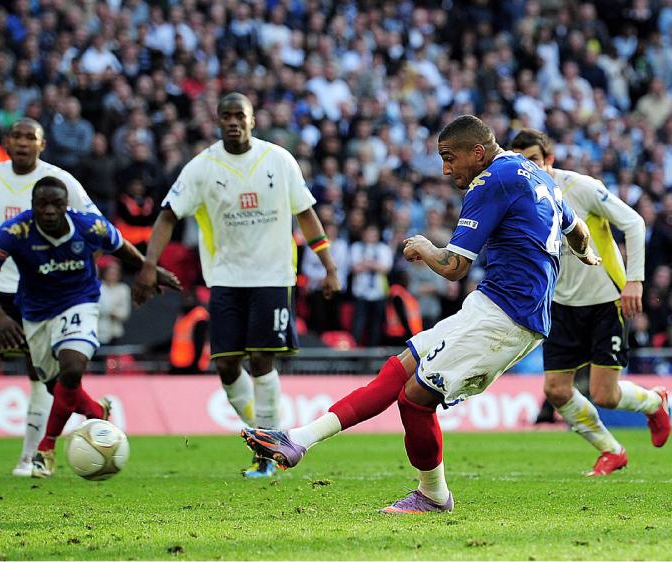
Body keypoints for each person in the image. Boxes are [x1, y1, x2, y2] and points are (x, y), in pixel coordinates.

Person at [243, 115, 601, 513]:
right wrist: (588, 256)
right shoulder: (536, 174)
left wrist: (424, 247)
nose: (446, 170)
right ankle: (299, 438)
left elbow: (453, 266)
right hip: (492, 305)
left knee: (415, 399)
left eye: (450, 159)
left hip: (505, 317)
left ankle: (432, 495)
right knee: (398, 369)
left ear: (478, 153)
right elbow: (579, 230)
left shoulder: (490, 180)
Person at [133, 92, 341, 478]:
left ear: (252, 119)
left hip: (272, 276)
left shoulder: (278, 160)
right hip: (226, 278)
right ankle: (266, 432)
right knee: (227, 365)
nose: (233, 122)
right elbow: (167, 215)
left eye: (239, 115)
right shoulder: (202, 166)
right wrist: (148, 264)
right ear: (217, 121)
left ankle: (266, 451)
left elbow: (306, 214)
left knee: (261, 359)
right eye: (226, 115)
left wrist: (328, 265)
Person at [0, 177, 179, 478]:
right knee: (55, 386)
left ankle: (45, 448)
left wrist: (149, 269)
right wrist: (0, 317)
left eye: (56, 204)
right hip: (35, 313)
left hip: (78, 302)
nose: (49, 211)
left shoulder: (89, 226)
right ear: (32, 206)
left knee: (72, 367)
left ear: (65, 205)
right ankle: (97, 413)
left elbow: (120, 246)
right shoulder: (14, 231)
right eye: (42, 204)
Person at [0, 119, 100, 478]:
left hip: (44, 294)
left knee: (40, 374)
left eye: (31, 137)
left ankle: (30, 458)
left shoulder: (61, 181)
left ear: (42, 144)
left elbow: (95, 224)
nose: (24, 143)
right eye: (17, 136)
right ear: (6, 142)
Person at [510, 128, 670, 475]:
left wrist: (635, 280)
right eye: (519, 160)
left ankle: (655, 403)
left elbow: (634, 221)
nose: (527, 167)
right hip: (561, 306)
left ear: (548, 159)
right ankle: (612, 450)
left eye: (533, 159)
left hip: (605, 300)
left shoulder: (581, 187)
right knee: (555, 390)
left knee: (605, 394)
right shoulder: (519, 199)